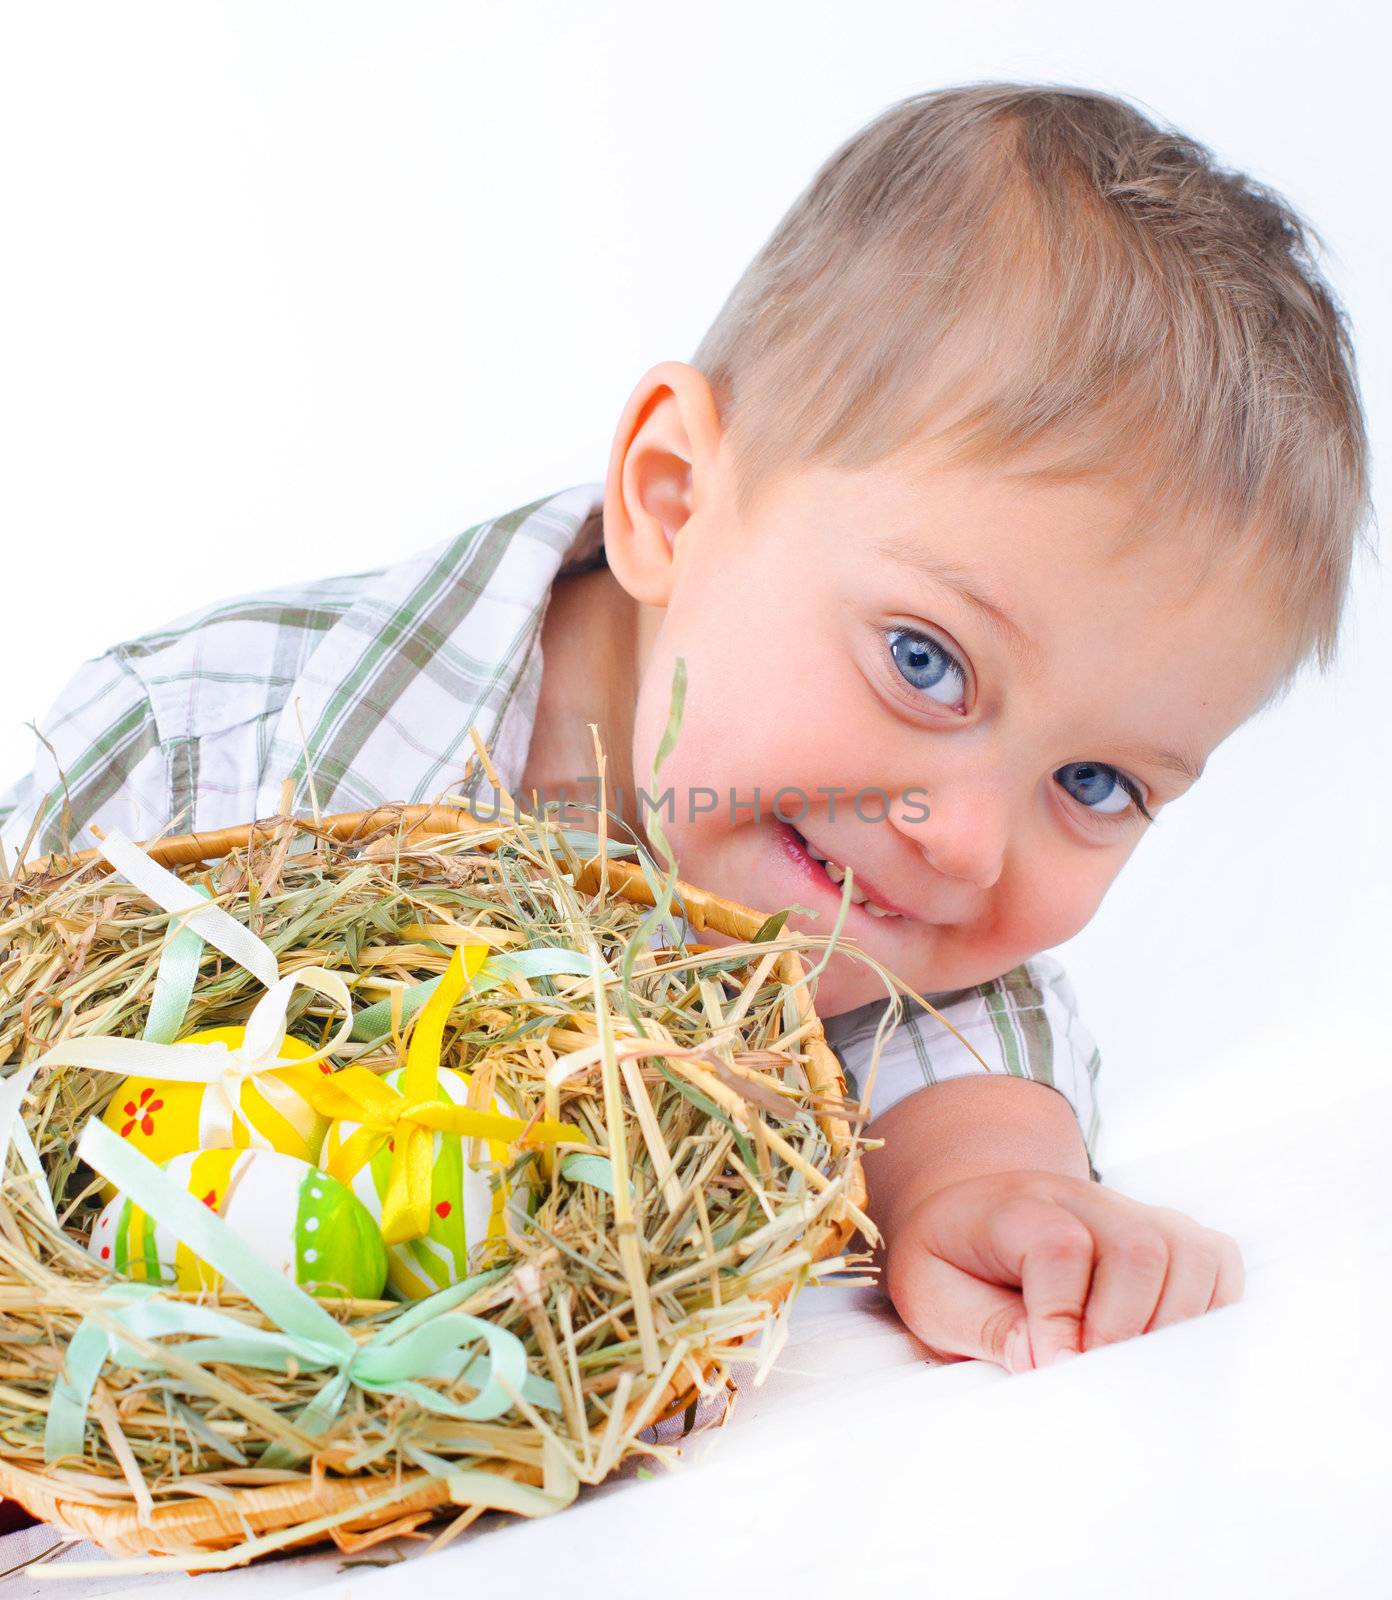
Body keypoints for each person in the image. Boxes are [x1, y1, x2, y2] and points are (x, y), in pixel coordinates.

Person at [0, 82, 1370, 1375]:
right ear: (669, 501)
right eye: (923, 661)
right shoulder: (194, 756)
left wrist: (993, 1190)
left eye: (1094, 780)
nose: (960, 841)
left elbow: (954, 1044)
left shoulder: (880, 910)